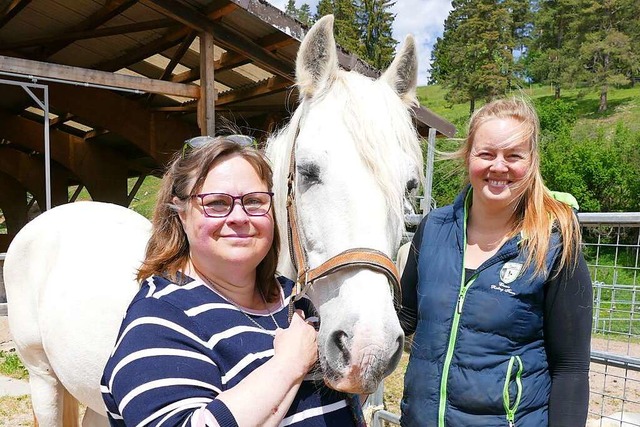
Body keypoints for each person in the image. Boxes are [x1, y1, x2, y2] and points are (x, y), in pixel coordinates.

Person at [101, 136, 359, 426]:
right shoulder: (158, 320)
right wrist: (290, 364)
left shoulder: (299, 300)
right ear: (181, 212)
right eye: (217, 203)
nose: (239, 217)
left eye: (254, 201)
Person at [398, 98, 592, 427]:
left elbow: (570, 370)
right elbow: (402, 319)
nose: (498, 167)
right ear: (468, 157)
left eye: (513, 155)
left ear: (531, 162)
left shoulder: (555, 243)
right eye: (486, 154)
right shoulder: (433, 230)